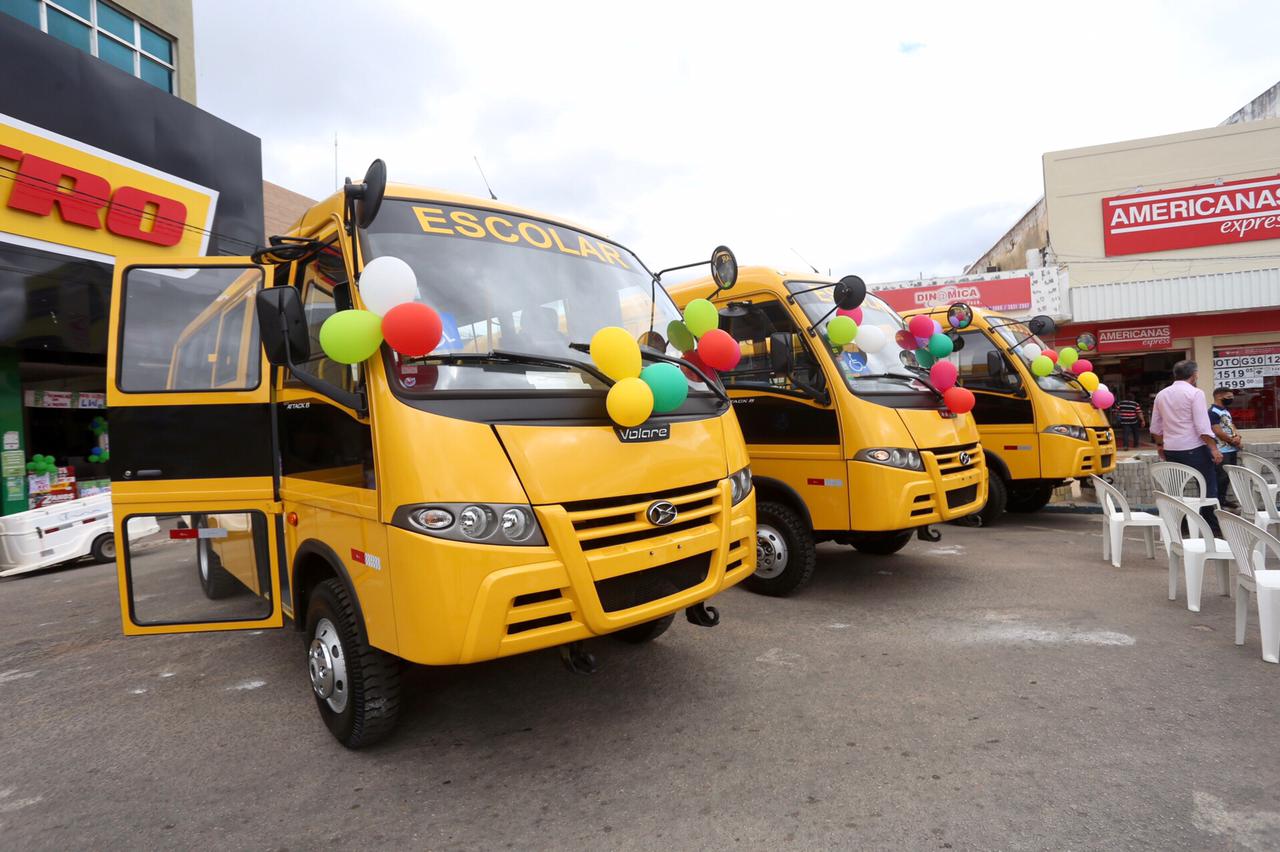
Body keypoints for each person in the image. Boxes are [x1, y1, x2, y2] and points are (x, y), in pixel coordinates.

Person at [1150, 360, 1222, 535]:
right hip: (1194, 447)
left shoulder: (1161, 394)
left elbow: (1155, 427)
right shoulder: (1195, 393)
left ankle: (1180, 525)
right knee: (1207, 486)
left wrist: (1160, 445)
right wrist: (1213, 448)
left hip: (1171, 449)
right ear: (1194, 375)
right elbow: (1202, 427)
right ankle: (1211, 527)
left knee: (1176, 488)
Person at [1209, 387, 1243, 509]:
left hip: (1231, 449)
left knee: (1227, 477)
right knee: (1221, 477)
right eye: (1229, 397)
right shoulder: (1212, 412)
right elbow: (1216, 430)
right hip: (1221, 450)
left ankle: (1222, 500)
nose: (1231, 399)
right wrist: (1232, 440)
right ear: (1219, 396)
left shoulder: (1225, 411)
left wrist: (1237, 436)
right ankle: (1217, 503)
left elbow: (1230, 425)